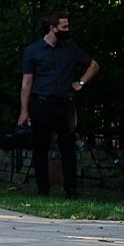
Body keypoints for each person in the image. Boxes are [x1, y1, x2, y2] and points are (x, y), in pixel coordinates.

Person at [16, 11, 97, 198]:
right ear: (52, 28)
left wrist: (81, 83)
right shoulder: (32, 51)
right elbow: (26, 82)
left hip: (65, 103)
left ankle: (71, 189)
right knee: (40, 146)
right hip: (41, 102)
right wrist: (24, 110)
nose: (67, 30)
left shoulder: (70, 49)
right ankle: (43, 188)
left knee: (68, 147)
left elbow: (93, 64)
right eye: (64, 27)